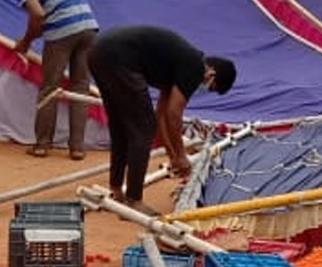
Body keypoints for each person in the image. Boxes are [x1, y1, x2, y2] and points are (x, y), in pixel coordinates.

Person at [89, 25, 236, 215]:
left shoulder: (178, 63)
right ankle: (134, 200)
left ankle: (116, 190)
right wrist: (181, 156)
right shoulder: (195, 67)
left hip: (98, 51)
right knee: (142, 129)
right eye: (212, 87)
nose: (205, 88)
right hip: (119, 58)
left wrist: (172, 155)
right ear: (212, 74)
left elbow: (162, 114)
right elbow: (174, 115)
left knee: (121, 125)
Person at [0, 0, 99, 160]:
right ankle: (77, 148)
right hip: (89, 27)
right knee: (80, 88)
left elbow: (38, 14)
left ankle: (43, 145)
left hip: (62, 32)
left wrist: (26, 42)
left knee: (50, 89)